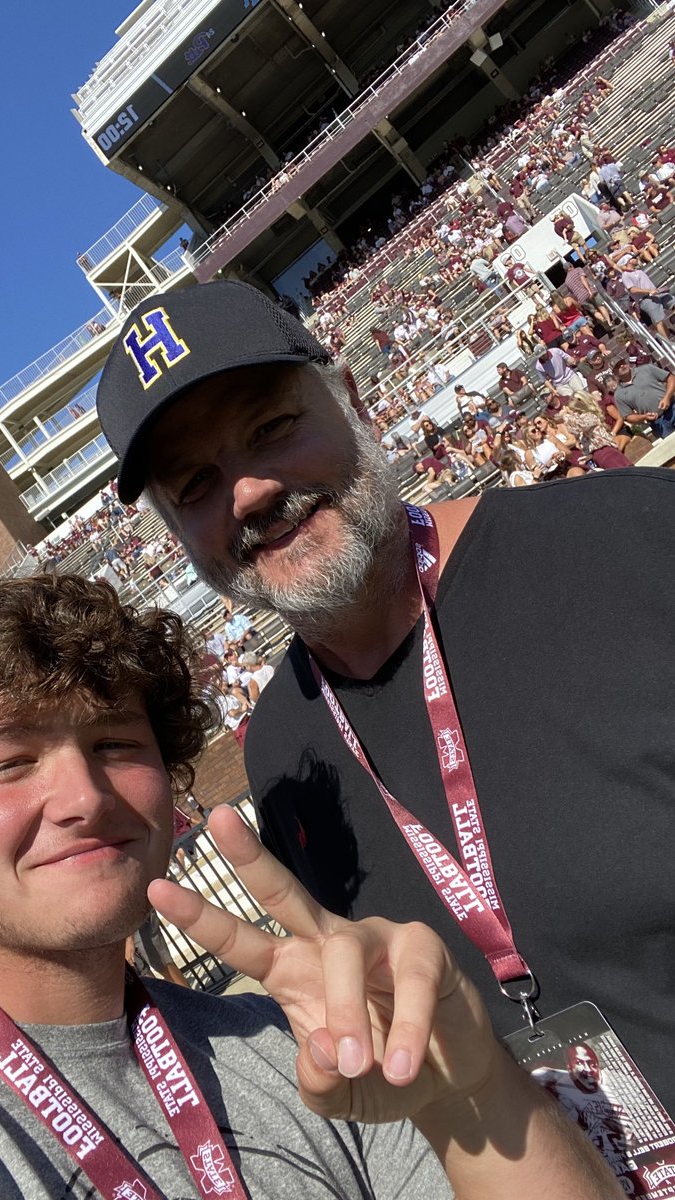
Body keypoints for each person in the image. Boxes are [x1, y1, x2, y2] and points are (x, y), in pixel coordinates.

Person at [0, 574, 618, 1199]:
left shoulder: (304, 1052)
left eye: (114, 746)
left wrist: (474, 1094)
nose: (84, 798)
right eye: (9, 763)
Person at [97, 279, 675, 1116]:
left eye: (271, 428)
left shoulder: (631, 540)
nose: (249, 494)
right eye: (195, 484)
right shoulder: (283, 750)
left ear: (354, 400)